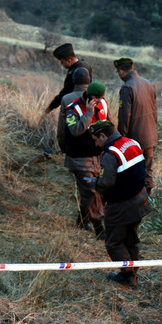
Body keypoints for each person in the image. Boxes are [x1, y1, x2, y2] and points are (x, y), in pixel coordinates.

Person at [88, 120, 153, 287]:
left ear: (103, 136)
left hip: (121, 205)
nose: (96, 144)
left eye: (96, 139)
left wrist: (93, 182)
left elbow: (106, 183)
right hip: (140, 200)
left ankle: (127, 274)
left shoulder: (110, 154)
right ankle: (132, 273)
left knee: (114, 242)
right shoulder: (131, 142)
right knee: (131, 238)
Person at [57, 68, 109, 239]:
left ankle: (81, 220)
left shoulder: (103, 104)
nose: (99, 101)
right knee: (91, 191)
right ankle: (99, 228)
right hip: (79, 158)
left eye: (101, 99)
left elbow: (108, 125)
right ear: (90, 96)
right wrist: (88, 113)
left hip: (98, 157)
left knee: (92, 191)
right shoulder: (72, 108)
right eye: (97, 99)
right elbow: (75, 130)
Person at [113, 57, 157, 194]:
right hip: (150, 135)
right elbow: (155, 112)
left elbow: (124, 117)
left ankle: (136, 201)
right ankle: (148, 199)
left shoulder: (127, 87)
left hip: (134, 139)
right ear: (132, 68)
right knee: (148, 169)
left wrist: (121, 138)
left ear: (120, 71)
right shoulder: (149, 84)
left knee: (134, 171)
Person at [45, 43, 92, 114]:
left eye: (62, 62)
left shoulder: (76, 71)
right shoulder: (85, 65)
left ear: (69, 61)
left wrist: (50, 107)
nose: (61, 64)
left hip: (77, 107)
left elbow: (66, 91)